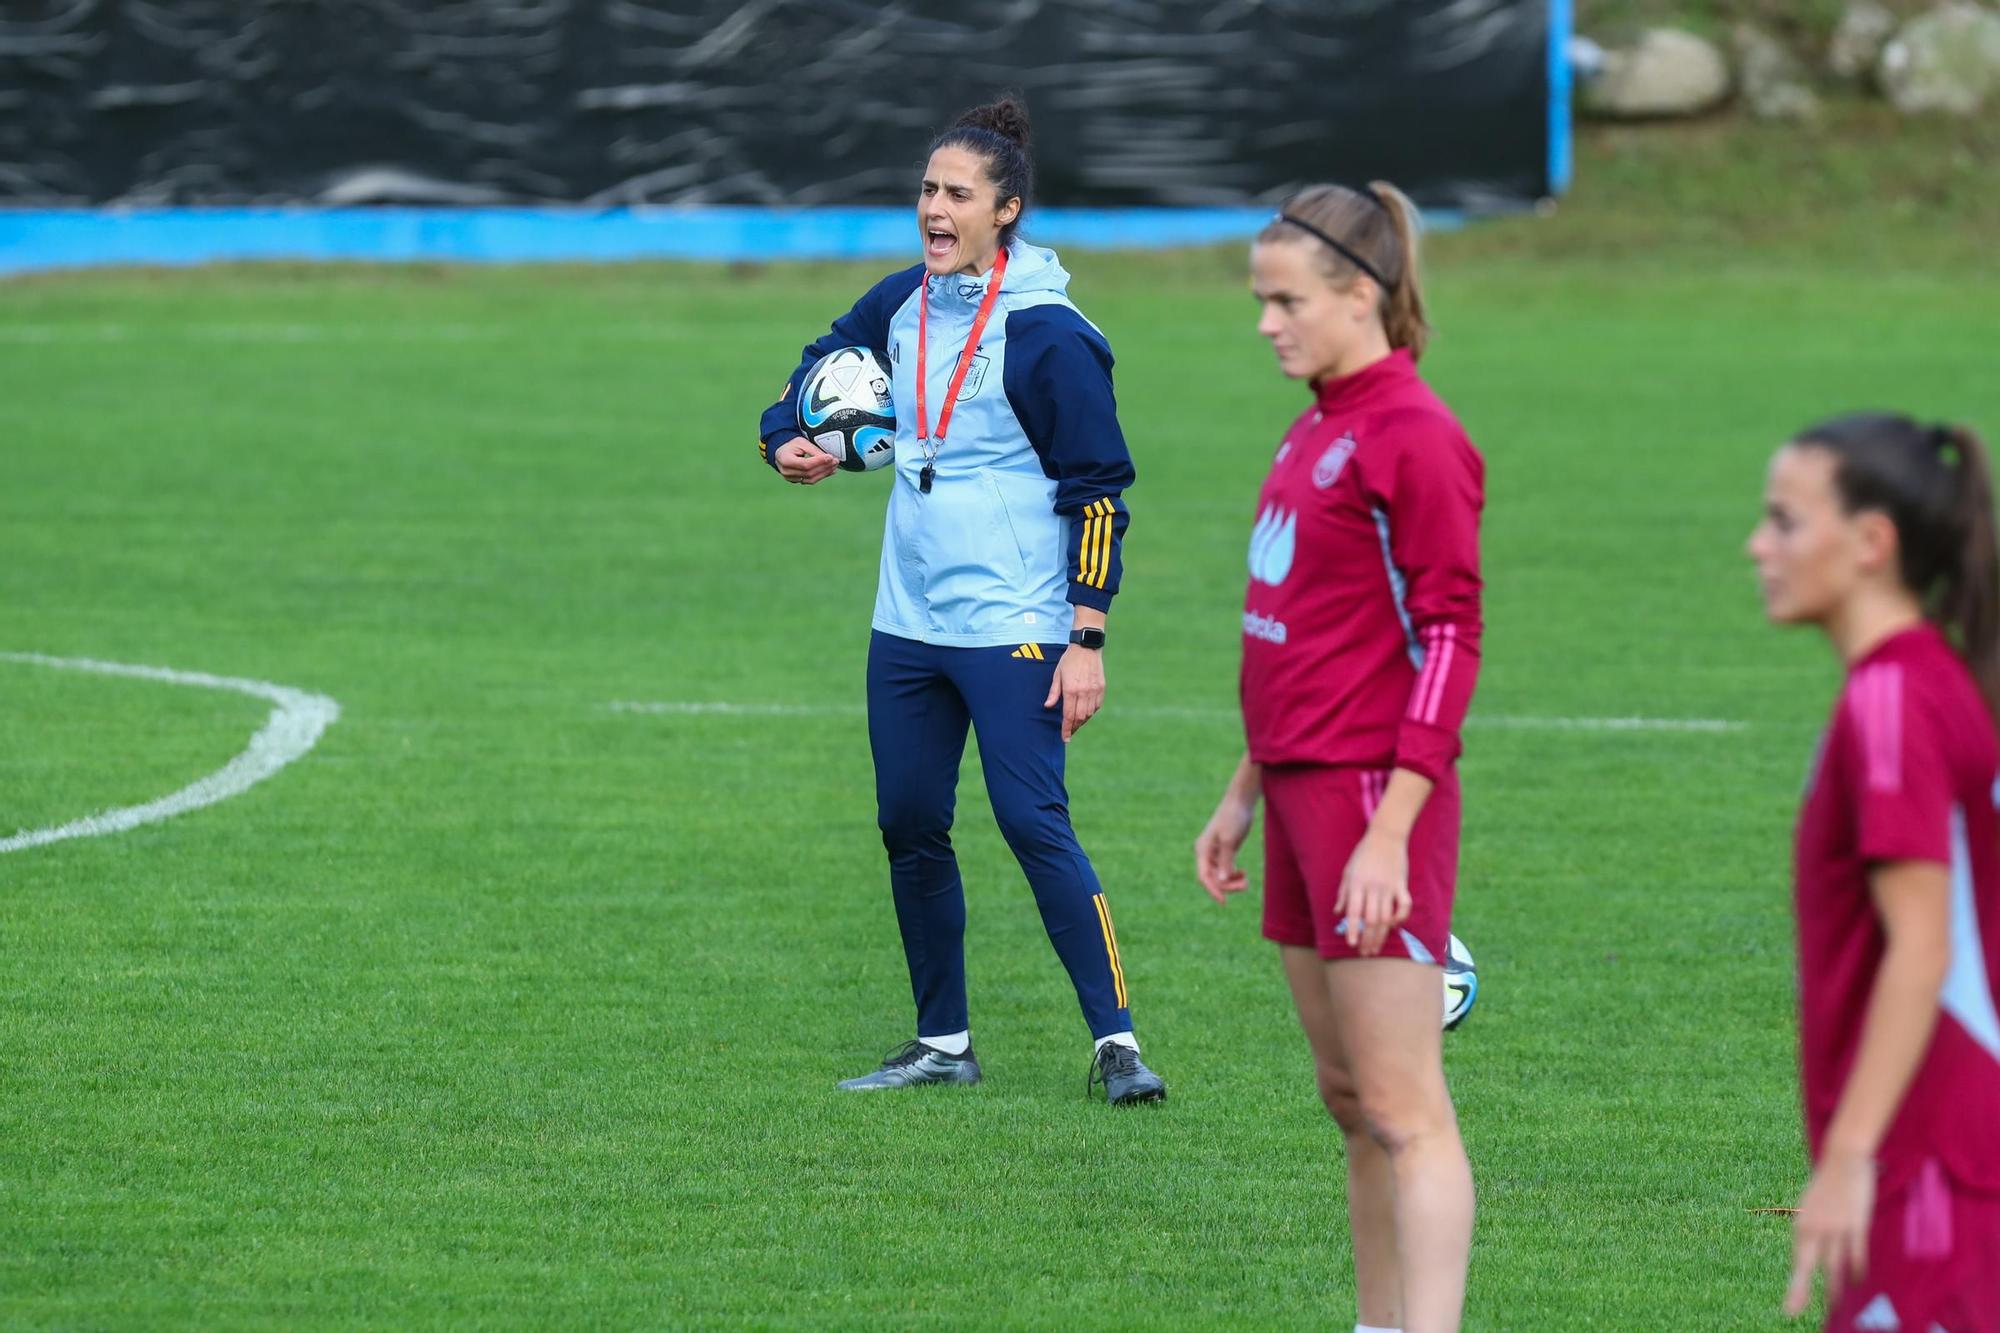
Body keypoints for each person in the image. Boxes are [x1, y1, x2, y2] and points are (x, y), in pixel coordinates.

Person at [754, 96, 1165, 1105]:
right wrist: (782, 438)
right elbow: (816, 365)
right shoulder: (902, 300)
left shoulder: (1049, 334)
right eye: (926, 190)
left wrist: (1086, 635)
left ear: (1005, 210)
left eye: (956, 194)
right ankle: (942, 1041)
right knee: (907, 821)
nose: (933, 208)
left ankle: (1115, 1041)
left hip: (1016, 625)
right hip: (907, 623)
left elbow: (1099, 490)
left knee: (1033, 823)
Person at [1192, 182, 1482, 1333]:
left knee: (1407, 1107)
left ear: (1358, 295)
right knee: (1349, 1097)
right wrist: (1242, 787)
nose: (1265, 322)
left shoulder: (1414, 435)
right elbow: (1298, 628)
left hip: (1370, 795)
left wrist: (1392, 825)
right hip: (1300, 785)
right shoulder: (1317, 418)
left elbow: (1448, 636)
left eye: (1283, 300)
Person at [1747, 412, 2000, 1330]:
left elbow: (1922, 946)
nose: (1757, 544)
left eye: (1783, 520)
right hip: (1945, 1154)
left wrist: (1850, 1158)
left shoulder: (1892, 699)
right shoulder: (1932, 677)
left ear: (1870, 543)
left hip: (1928, 1163)